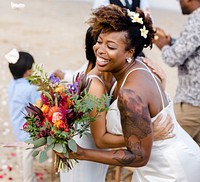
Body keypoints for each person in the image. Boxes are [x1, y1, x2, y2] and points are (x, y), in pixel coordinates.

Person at [58, 5, 200, 182]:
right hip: (176, 156)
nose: (100, 50)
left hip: (168, 171)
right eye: (99, 41)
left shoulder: (129, 93)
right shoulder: (142, 66)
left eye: (110, 46)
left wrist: (82, 153)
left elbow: (139, 156)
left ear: (130, 52)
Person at [153, 0, 200, 146]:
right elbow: (192, 47)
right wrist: (171, 42)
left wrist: (163, 46)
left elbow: (173, 58)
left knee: (166, 151)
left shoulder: (196, 19)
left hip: (192, 105)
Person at [6, 48, 40, 182]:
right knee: (27, 156)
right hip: (28, 129)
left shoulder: (12, 83)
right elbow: (38, 106)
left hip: (17, 123)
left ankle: (26, 176)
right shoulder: (30, 89)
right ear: (28, 71)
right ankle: (29, 179)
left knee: (21, 151)